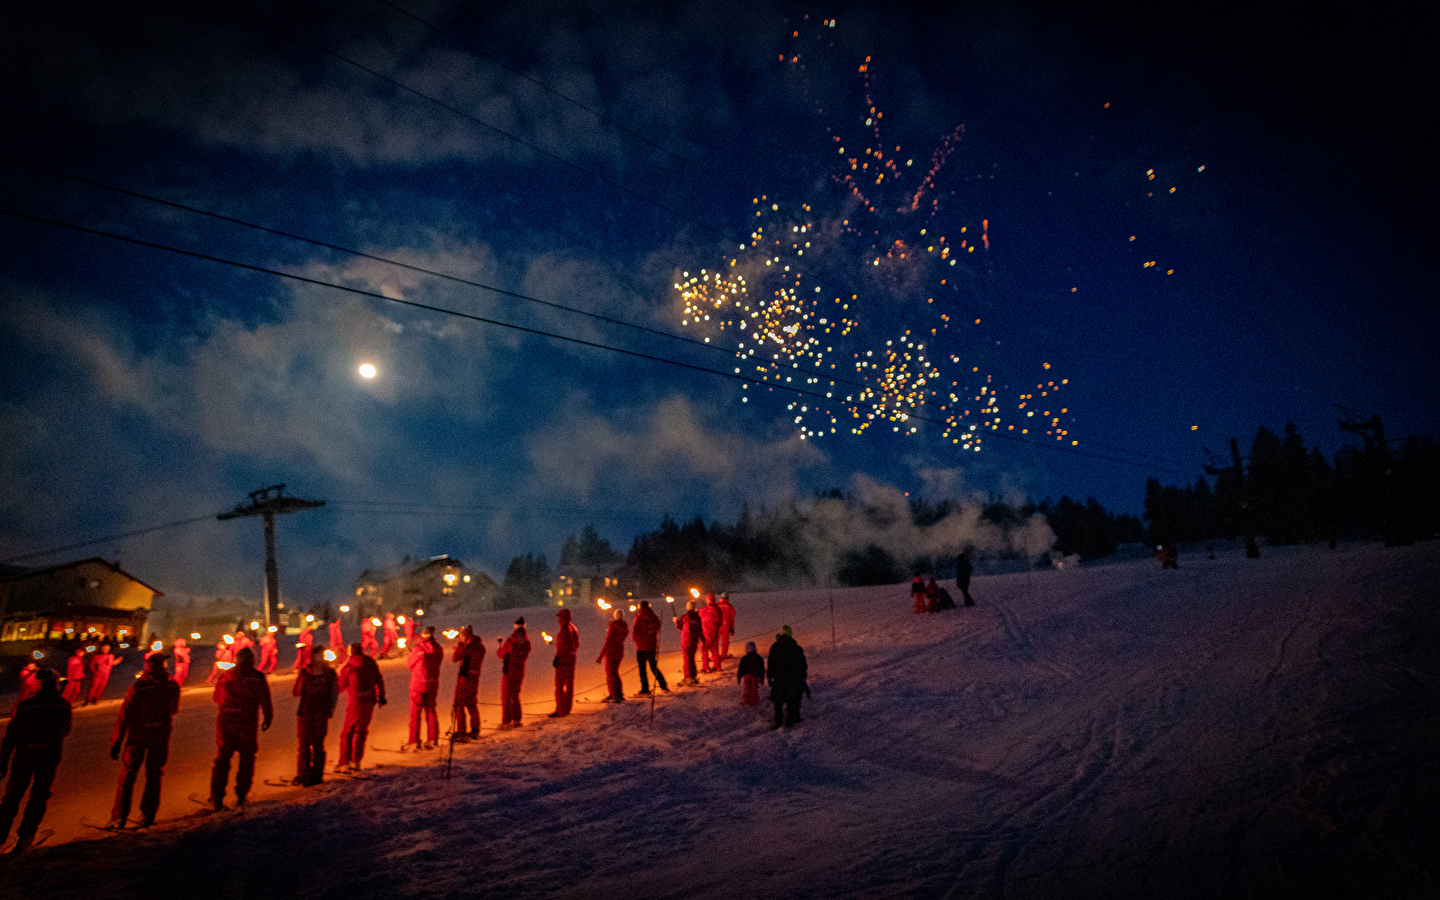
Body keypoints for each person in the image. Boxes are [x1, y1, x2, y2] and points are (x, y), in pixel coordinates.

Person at [0, 669, 71, 852]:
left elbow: (11, 736)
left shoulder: (25, 706)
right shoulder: (62, 705)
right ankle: (26, 836)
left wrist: (3, 761)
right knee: (39, 796)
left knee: (12, 797)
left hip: (24, 756)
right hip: (49, 756)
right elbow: (65, 730)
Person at [108, 652, 180, 828]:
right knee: (154, 775)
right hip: (161, 735)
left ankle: (120, 817)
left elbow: (124, 716)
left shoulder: (139, 686)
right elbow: (173, 709)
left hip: (138, 737)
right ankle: (148, 814)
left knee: (128, 775)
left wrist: (116, 742)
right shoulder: (172, 685)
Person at [209, 646, 273, 811]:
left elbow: (217, 697)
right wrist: (268, 717)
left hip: (226, 722)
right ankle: (242, 794)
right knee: (247, 758)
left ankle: (216, 796)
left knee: (223, 759)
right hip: (246, 723)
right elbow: (265, 698)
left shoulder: (226, 676)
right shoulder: (257, 677)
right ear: (252, 660)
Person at [336, 642, 385, 773]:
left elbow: (340, 686)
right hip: (369, 701)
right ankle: (356, 761)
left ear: (351, 652)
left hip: (355, 703)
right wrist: (381, 695)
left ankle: (344, 762)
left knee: (347, 732)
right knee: (361, 730)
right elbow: (378, 679)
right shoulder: (370, 662)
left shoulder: (349, 667)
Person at [292, 644, 338, 785]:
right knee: (309, 745)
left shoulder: (329, 673)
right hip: (309, 712)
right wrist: (301, 675)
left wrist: (330, 709)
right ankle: (308, 775)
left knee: (313, 745)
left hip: (316, 713)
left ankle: (311, 775)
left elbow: (334, 693)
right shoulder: (308, 672)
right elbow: (296, 692)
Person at [405, 626, 444, 750]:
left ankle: (414, 741)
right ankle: (433, 739)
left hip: (418, 684)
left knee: (415, 713)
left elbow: (408, 664)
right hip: (432, 683)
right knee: (431, 711)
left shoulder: (418, 649)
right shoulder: (438, 649)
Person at [767, 626, 809, 729]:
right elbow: (802, 664)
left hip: (779, 678)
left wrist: (770, 676)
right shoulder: (796, 648)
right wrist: (802, 677)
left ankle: (778, 721)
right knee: (793, 699)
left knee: (778, 701)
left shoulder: (775, 647)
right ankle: (791, 719)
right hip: (793, 678)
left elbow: (771, 662)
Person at [497, 618, 531, 728]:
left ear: (515, 627)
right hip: (520, 670)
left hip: (509, 670)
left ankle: (506, 721)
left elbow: (502, 653)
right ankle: (516, 719)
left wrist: (500, 650)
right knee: (515, 695)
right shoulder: (526, 642)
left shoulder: (511, 641)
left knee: (506, 695)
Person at [452, 625, 484, 738]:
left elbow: (455, 658)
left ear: (465, 635)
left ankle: (461, 731)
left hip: (465, 679)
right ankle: (475, 730)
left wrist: (459, 646)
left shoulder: (466, 648)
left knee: (459, 704)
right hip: (474, 679)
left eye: (461, 635)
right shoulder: (480, 647)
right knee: (471, 704)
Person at [631, 601, 668, 695]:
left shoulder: (639, 618)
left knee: (642, 669)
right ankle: (663, 684)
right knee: (653, 667)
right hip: (651, 646)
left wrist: (637, 640)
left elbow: (635, 632)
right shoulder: (653, 617)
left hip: (641, 648)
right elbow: (657, 627)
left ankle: (645, 688)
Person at [549, 609, 579, 718]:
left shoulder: (564, 630)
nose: (558, 619)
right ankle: (567, 708)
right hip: (571, 660)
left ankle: (561, 710)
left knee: (560, 686)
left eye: (559, 617)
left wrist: (558, 657)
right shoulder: (573, 628)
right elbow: (576, 645)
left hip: (563, 662)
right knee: (569, 685)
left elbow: (563, 647)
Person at [597, 608, 628, 703]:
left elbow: (608, 642)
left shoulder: (613, 627)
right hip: (619, 652)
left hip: (611, 653)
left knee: (611, 674)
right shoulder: (624, 627)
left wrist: (601, 656)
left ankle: (615, 694)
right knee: (614, 673)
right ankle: (616, 693)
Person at [674, 600, 702, 685]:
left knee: (687, 659)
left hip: (686, 640)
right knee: (692, 658)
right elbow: (700, 629)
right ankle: (693, 676)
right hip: (695, 640)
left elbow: (680, 627)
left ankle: (689, 677)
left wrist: (676, 621)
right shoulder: (697, 617)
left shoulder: (685, 617)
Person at [737, 641, 765, 707]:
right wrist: (761, 678)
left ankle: (746, 701)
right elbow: (761, 669)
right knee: (754, 689)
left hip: (747, 676)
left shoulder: (744, 658)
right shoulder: (758, 658)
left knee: (747, 689)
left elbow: (741, 669)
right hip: (755, 676)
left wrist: (739, 677)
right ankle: (753, 703)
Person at [699, 594, 722, 673]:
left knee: (704, 651)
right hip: (714, 633)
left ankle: (705, 667)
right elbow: (720, 621)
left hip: (705, 633)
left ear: (707, 600)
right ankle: (717, 666)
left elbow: (700, 621)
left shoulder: (702, 610)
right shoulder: (718, 610)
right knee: (715, 650)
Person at [717, 592, 736, 659]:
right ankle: (724, 655)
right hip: (726, 625)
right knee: (725, 641)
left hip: (718, 625)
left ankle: (715, 655)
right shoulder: (730, 606)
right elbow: (732, 619)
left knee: (716, 640)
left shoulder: (717, 605)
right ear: (727, 598)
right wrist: (732, 628)